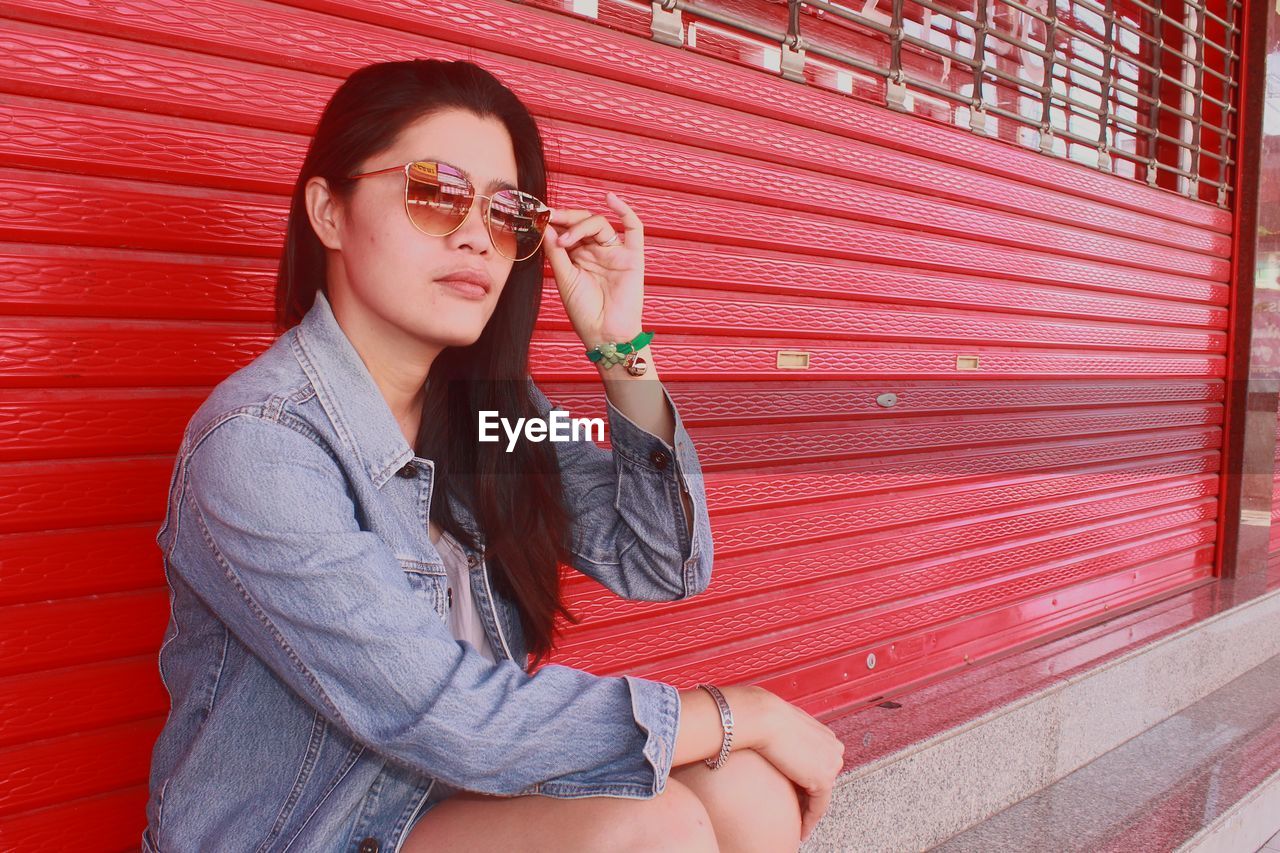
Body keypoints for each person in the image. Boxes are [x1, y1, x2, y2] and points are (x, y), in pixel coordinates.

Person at [141, 58, 844, 852]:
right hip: (311, 830)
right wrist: (744, 709)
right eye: (434, 192)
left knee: (748, 785)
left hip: (449, 798)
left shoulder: (498, 421)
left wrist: (620, 348)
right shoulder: (260, 444)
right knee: (660, 822)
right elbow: (456, 719)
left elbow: (665, 563)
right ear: (328, 213)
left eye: (507, 210)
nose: (477, 232)